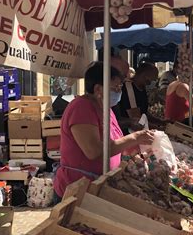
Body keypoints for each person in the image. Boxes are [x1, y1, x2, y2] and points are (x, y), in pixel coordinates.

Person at [53, 62, 155, 200]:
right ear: (98, 89)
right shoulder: (81, 108)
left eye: (120, 87)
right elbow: (94, 151)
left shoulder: (106, 109)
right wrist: (135, 138)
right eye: (116, 88)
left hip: (99, 186)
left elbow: (115, 143)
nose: (120, 92)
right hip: (77, 190)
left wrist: (137, 152)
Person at [114, 62, 164, 132]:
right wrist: (159, 129)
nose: (153, 82)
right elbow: (137, 119)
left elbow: (144, 114)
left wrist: (161, 122)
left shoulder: (142, 89)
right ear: (144, 75)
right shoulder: (128, 89)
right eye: (153, 79)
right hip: (127, 133)